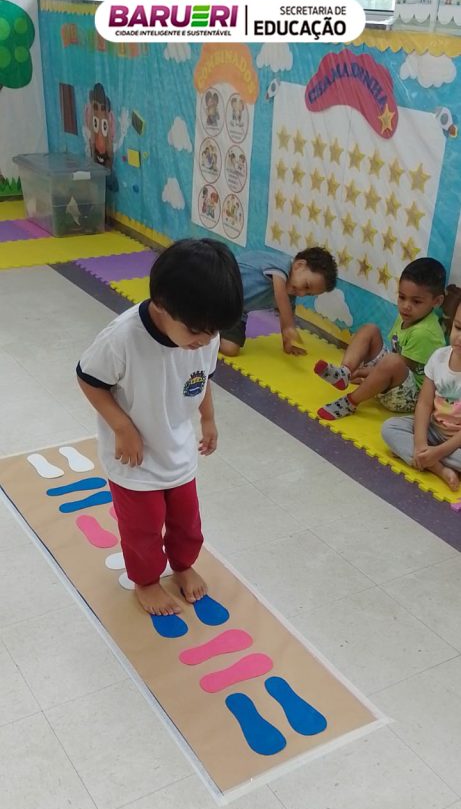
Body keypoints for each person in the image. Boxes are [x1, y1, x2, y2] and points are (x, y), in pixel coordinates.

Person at [76, 238, 243, 616]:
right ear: (162, 306)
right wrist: (122, 428)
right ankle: (147, 581)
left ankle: (182, 565)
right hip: (133, 459)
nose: (206, 341)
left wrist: (208, 418)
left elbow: (202, 379)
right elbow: (88, 380)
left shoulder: (204, 335)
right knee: (143, 528)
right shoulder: (122, 338)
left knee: (187, 522)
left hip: (177, 448)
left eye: (212, 332)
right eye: (197, 331)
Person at [315, 258, 446, 420]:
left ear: (437, 301)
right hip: (393, 377)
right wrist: (362, 372)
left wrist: (363, 373)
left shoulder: (425, 333)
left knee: (393, 361)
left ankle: (350, 402)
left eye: (416, 301)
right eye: (402, 297)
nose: (406, 306)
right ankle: (344, 372)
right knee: (369, 329)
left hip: (411, 397)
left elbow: (401, 365)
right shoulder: (408, 316)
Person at [382, 295, 461, 493]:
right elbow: (424, 404)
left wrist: (439, 451)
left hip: (457, 442)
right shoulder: (439, 357)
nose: (459, 338)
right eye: (458, 328)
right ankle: (437, 468)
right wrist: (419, 443)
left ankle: (427, 458)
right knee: (389, 428)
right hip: (434, 430)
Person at [219, 246, 337, 358]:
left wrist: (287, 345)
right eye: (306, 286)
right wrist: (289, 326)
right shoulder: (281, 264)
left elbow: (285, 318)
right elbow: (280, 294)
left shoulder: (289, 297)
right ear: (299, 266)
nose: (301, 294)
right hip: (220, 289)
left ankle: (214, 331)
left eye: (308, 294)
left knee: (230, 349)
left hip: (236, 311)